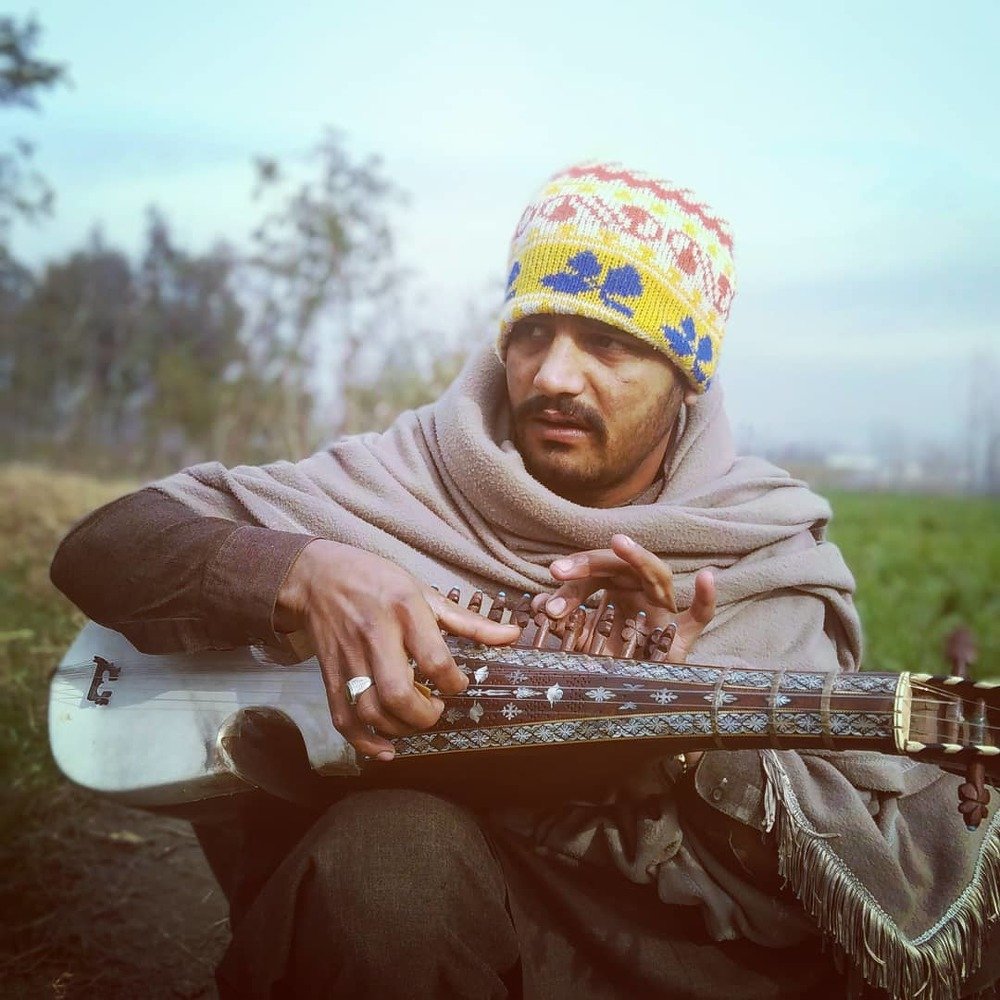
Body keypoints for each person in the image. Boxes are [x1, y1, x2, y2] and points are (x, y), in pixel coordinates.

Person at [50, 162, 999, 1000]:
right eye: (532, 331)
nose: (552, 376)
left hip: (670, 953)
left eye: (609, 343)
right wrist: (306, 570)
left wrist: (668, 716)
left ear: (686, 374)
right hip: (423, 915)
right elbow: (103, 546)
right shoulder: (404, 476)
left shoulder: (760, 546)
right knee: (385, 855)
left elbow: (805, 875)